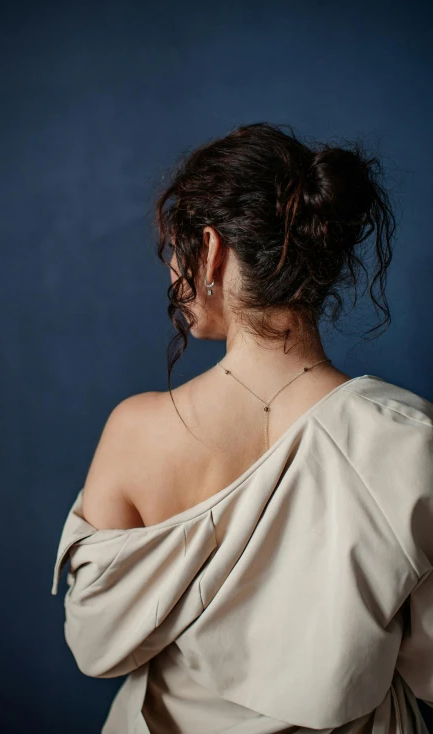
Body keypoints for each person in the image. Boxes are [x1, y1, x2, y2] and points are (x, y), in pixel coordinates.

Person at [51, 123, 433, 733]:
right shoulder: (411, 440)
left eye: (175, 248)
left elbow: (96, 645)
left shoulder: (135, 431)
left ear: (211, 249)